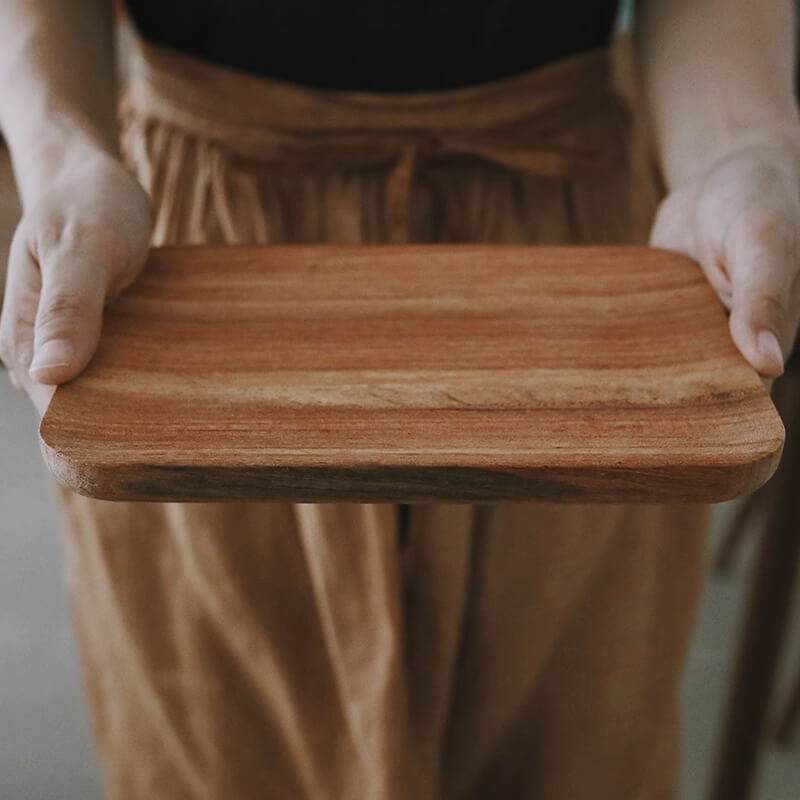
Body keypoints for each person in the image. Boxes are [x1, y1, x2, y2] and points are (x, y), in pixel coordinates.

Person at [1, 1, 798, 798]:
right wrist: (63, 160)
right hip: (198, 273)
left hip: (577, 287)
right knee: (226, 754)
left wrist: (737, 149)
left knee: (567, 750)